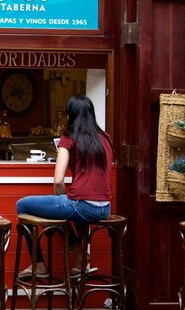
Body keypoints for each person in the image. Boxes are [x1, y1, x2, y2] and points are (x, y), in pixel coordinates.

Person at [15, 95, 113, 279]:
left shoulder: (69, 138)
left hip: (82, 206)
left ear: (71, 115)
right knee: (64, 213)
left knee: (22, 205)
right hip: (105, 208)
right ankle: (80, 257)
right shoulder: (106, 139)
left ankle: (39, 265)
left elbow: (58, 180)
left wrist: (62, 198)